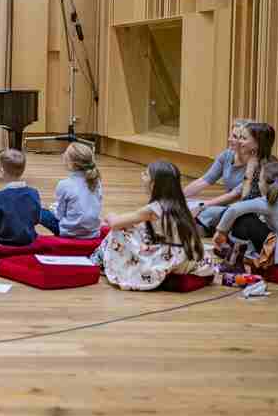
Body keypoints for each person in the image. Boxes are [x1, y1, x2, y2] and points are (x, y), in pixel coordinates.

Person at [91, 161, 214, 290]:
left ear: (154, 183)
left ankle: (98, 262)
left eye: (145, 174)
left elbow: (116, 224)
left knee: (119, 231)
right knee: (135, 228)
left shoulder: (154, 208)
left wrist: (109, 215)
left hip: (170, 260)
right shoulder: (180, 203)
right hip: (189, 256)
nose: (141, 175)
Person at [213, 161, 278, 270]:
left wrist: (221, 232)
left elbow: (234, 209)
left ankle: (234, 261)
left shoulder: (270, 202)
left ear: (266, 184)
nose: (258, 183)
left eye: (259, 180)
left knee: (245, 219)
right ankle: (241, 254)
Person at [183, 119, 252, 234]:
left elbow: (233, 195)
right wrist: (178, 197)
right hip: (226, 205)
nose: (229, 140)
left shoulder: (254, 166)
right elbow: (204, 180)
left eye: (235, 136)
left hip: (240, 208)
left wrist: (201, 206)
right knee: (186, 206)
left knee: (206, 212)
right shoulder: (227, 155)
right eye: (231, 135)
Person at [0, 149, 57, 246]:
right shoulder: (34, 193)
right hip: (28, 240)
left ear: (2, 170)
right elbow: (36, 219)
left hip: (3, 241)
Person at [51, 142, 103, 239]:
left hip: (68, 232)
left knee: (41, 212)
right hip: (93, 232)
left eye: (65, 154)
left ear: (72, 163)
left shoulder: (64, 184)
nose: (63, 155)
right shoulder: (97, 181)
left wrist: (53, 209)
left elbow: (59, 216)